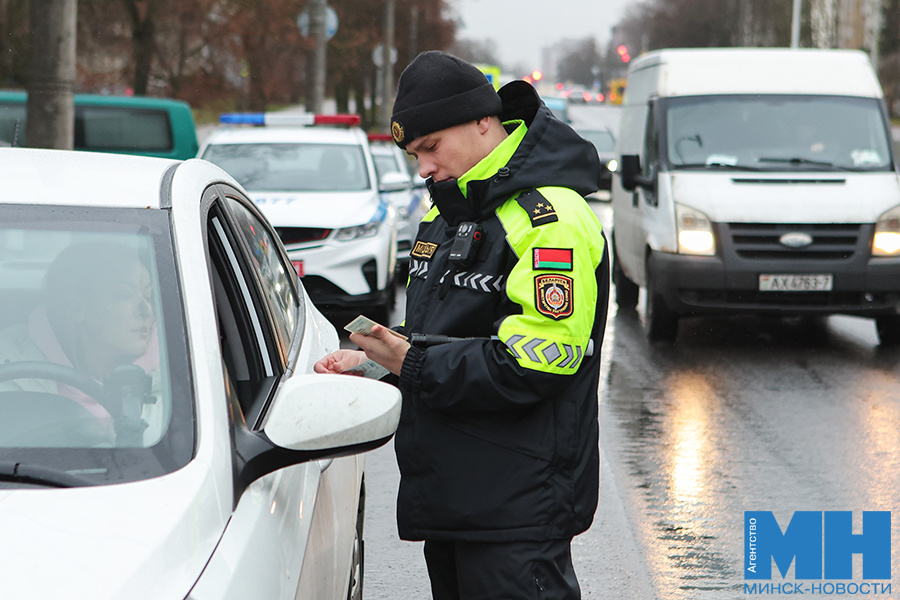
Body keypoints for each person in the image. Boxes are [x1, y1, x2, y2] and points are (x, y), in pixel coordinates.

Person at [315, 51, 609, 600]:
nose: (422, 167)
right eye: (413, 154)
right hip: (458, 498)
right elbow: (442, 328)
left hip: (517, 507)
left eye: (430, 147)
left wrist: (412, 361)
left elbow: (542, 359)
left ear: (483, 122)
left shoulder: (551, 218)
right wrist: (378, 358)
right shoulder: (447, 211)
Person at [0, 241, 158, 440]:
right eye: (124, 295)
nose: (146, 311)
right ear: (77, 309)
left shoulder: (182, 383)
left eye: (149, 296)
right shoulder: (13, 379)